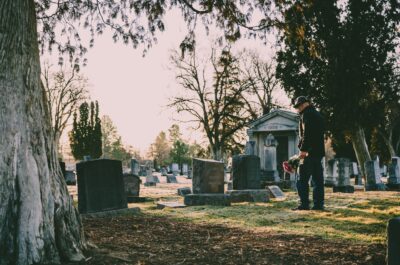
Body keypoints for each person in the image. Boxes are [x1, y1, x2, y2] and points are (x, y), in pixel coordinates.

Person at [292, 96, 325, 211]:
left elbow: (307, 134)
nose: (299, 108)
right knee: (317, 180)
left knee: (301, 179)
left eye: (300, 105)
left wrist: (303, 150)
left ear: (306, 104)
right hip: (318, 152)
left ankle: (304, 204)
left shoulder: (307, 115)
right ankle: (318, 205)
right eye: (297, 106)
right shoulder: (318, 114)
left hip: (308, 153)